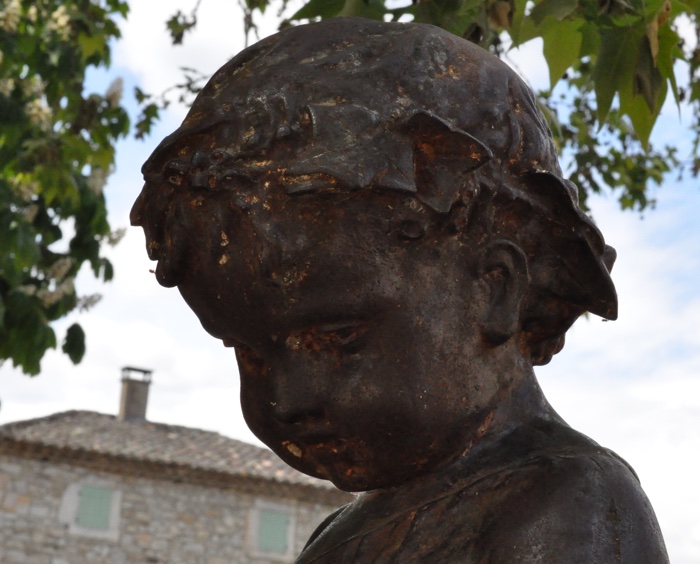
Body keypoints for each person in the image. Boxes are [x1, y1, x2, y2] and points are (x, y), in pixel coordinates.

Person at [131, 17, 668, 563]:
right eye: (249, 353)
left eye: (338, 338)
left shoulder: (566, 500)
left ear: (494, 289)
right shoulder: (339, 536)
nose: (288, 399)